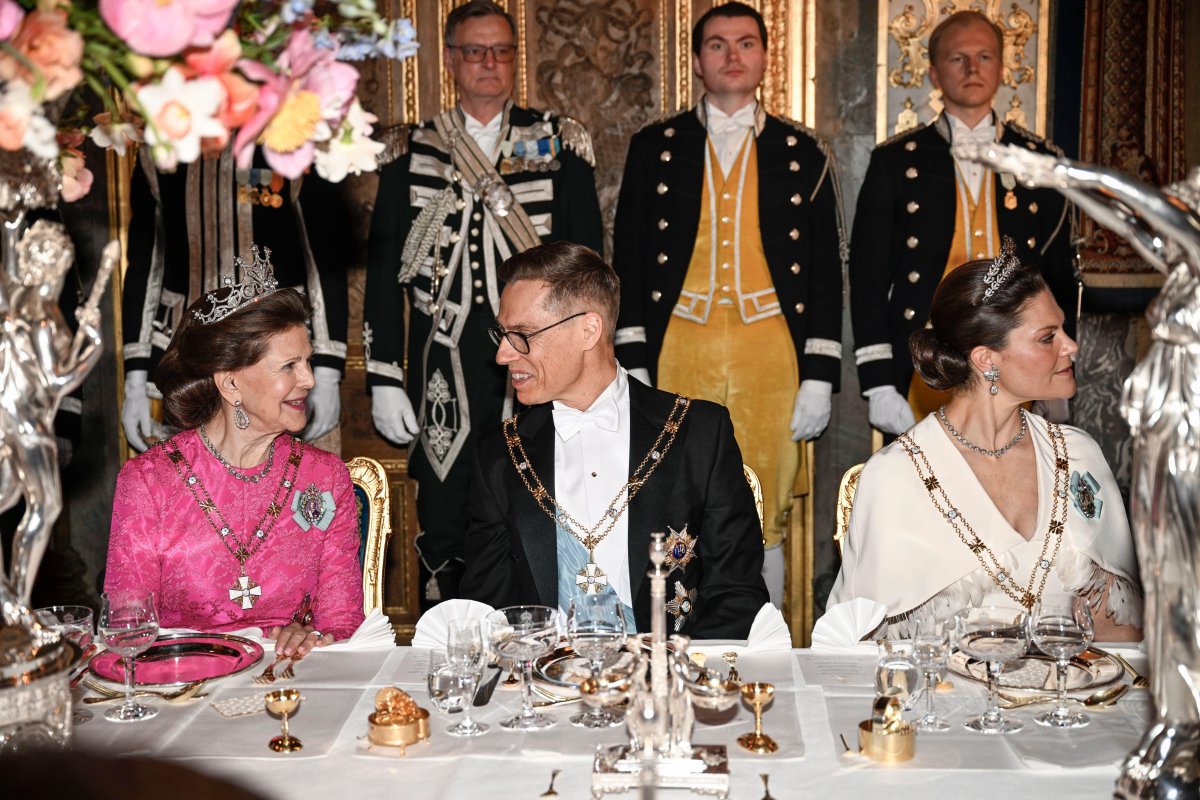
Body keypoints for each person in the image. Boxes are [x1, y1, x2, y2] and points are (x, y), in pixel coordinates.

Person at [365, 0, 603, 610]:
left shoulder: (557, 143)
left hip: (539, 354)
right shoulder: (413, 150)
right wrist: (385, 375)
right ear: (450, 60)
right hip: (442, 358)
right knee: (446, 503)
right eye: (475, 51)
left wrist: (596, 359)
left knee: (539, 491)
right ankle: (449, 627)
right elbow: (386, 270)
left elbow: (588, 267)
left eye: (500, 51)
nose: (488, 63)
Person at [611, 2, 846, 604]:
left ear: (765, 57)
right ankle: (676, 637)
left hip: (771, 354)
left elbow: (825, 273)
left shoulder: (804, 152)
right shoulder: (655, 146)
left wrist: (819, 377)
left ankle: (760, 636)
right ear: (696, 60)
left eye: (745, 43)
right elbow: (629, 262)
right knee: (675, 491)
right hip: (677, 348)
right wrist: (631, 358)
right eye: (717, 44)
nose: (732, 56)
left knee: (763, 504)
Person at [829, 240, 1141, 641]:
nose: (1072, 346)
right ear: (986, 360)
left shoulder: (1078, 456)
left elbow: (1118, 629)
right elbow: (864, 655)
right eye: (1048, 337)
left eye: (1063, 328)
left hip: (1067, 695)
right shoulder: (897, 476)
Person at [460, 242, 769, 639]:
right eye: (502, 334)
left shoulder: (698, 433)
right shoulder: (500, 454)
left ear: (588, 329)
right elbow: (486, 610)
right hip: (543, 689)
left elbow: (736, 595)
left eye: (521, 335)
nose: (503, 354)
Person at [104, 246, 364, 657]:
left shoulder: (325, 478)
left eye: (309, 362)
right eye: (289, 366)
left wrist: (314, 637)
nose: (310, 380)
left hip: (287, 688)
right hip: (182, 690)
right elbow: (127, 630)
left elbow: (342, 621)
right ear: (230, 385)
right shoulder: (148, 482)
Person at [849, 10, 1077, 436]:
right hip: (927, 358)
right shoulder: (895, 161)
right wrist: (879, 381)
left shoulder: (1040, 161)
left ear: (1002, 68)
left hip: (1019, 358)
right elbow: (868, 277)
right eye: (959, 59)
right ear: (934, 74)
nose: (973, 69)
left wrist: (1055, 374)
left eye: (985, 57)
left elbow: (1059, 278)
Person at [120, 150, 350, 452]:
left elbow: (324, 257)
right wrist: (135, 379)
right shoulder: (162, 149)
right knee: (189, 487)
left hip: (278, 356)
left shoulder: (289, 138)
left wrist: (329, 370)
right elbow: (146, 263)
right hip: (185, 356)